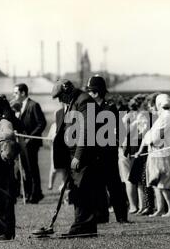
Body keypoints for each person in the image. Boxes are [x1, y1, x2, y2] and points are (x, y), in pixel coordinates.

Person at [51, 79, 99, 238]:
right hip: (73, 154)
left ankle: (83, 226)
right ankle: (84, 226)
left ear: (67, 91)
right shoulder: (74, 102)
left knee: (83, 189)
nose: (59, 100)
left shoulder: (84, 101)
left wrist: (78, 156)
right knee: (79, 191)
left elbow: (87, 131)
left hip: (85, 155)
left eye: (60, 96)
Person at [86, 75, 129, 223]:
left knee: (114, 185)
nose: (87, 95)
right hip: (93, 154)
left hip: (107, 154)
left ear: (96, 93)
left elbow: (120, 129)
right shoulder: (88, 109)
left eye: (89, 92)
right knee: (97, 186)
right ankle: (101, 216)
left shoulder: (109, 108)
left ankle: (121, 216)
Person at [135, 94, 170, 217]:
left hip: (162, 153)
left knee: (164, 183)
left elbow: (154, 137)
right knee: (157, 183)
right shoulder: (162, 117)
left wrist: (149, 139)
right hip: (156, 153)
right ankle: (160, 209)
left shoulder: (166, 117)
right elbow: (149, 135)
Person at [13, 83, 47, 203]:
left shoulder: (33, 105)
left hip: (31, 144)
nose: (14, 95)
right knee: (25, 169)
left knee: (32, 169)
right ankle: (28, 193)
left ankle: (36, 194)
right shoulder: (18, 106)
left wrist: (30, 137)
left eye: (16, 93)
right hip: (22, 143)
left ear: (23, 93)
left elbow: (41, 123)